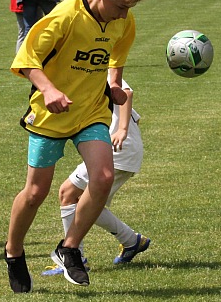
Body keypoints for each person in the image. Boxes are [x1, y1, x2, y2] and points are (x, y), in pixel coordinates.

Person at [5, 0, 148, 293]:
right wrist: (50, 89)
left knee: (103, 176)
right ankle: (13, 252)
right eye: (121, 7)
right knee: (35, 193)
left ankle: (69, 247)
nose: (125, 15)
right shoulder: (64, 16)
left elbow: (116, 61)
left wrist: (114, 85)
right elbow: (26, 61)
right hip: (50, 115)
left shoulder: (123, 23)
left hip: (91, 112)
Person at [41, 75, 150, 277]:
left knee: (68, 194)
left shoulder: (93, 66)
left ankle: (75, 257)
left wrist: (122, 129)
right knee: (86, 202)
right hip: (120, 149)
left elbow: (126, 92)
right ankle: (132, 241)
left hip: (118, 148)